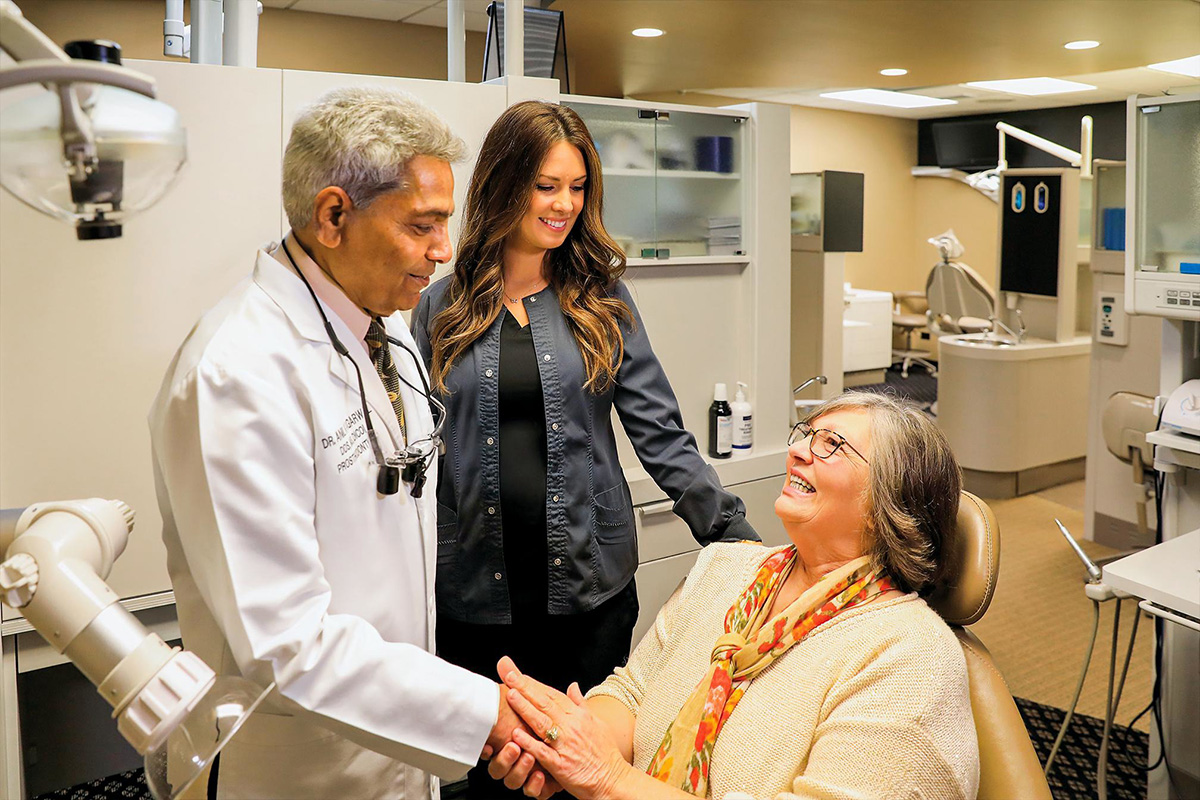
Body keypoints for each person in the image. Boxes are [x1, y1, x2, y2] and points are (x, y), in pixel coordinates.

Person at [149, 87, 546, 800]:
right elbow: (286, 643)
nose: (443, 250)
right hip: (293, 770)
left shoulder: (385, 323)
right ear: (334, 216)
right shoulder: (237, 373)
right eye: (422, 225)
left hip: (396, 754)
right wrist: (483, 712)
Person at [411, 100, 759, 796]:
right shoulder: (439, 304)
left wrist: (741, 547)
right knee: (483, 781)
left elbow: (663, 437)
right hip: (474, 600)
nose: (565, 204)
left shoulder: (603, 301)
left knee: (584, 778)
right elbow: (415, 451)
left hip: (588, 596)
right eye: (546, 186)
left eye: (577, 187)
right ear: (504, 183)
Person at [489, 392, 981, 800]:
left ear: (886, 504)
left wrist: (607, 779)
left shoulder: (912, 657)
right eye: (806, 434)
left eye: (831, 444)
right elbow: (633, 694)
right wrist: (556, 741)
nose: (800, 451)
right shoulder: (725, 567)